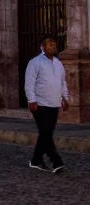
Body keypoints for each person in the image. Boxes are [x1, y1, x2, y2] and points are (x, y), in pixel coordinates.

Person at [25, 35, 68, 173]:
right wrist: (31, 100)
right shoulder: (35, 62)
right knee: (46, 132)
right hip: (40, 103)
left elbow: (62, 82)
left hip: (54, 103)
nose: (53, 46)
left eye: (54, 45)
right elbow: (29, 83)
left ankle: (36, 161)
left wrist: (65, 98)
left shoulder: (58, 63)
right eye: (50, 44)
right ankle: (56, 161)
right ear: (42, 47)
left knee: (46, 133)